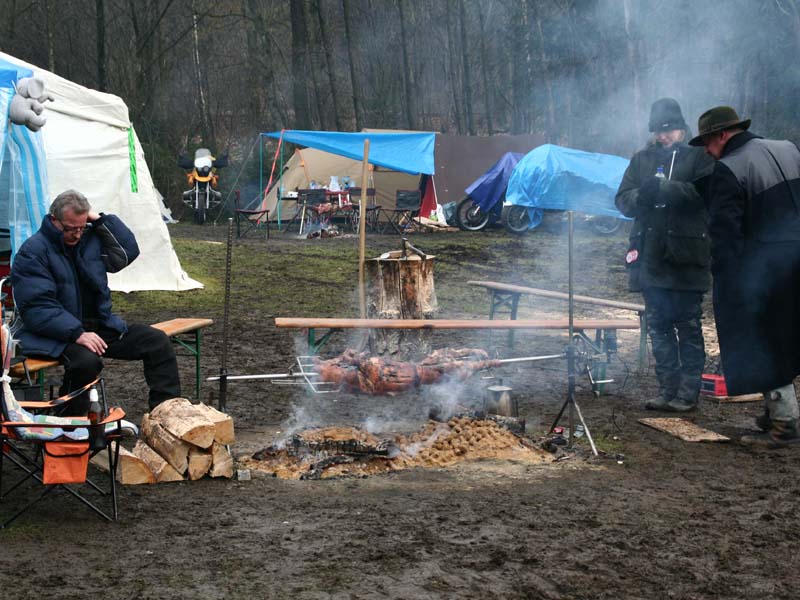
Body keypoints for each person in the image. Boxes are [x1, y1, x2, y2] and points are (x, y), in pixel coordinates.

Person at [11, 190, 181, 416]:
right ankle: (69, 425)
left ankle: (167, 416)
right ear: (54, 221)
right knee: (86, 362)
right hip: (52, 335)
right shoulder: (33, 252)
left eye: (81, 227)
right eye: (71, 228)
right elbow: (38, 308)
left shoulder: (91, 239)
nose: (77, 234)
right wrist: (77, 333)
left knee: (156, 342)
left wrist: (101, 220)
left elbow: (128, 251)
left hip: (97, 327)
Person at [689, 106, 800, 447]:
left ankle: (785, 426)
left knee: (763, 340)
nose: (707, 151)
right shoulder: (789, 147)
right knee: (790, 336)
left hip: (764, 269)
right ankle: (773, 411)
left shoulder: (729, 168)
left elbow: (725, 233)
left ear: (722, 135)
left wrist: (725, 279)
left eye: (708, 142)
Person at [615, 98, 715, 412]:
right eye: (659, 131)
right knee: (658, 325)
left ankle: (687, 393)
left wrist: (666, 189)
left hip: (687, 257)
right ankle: (666, 389)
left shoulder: (699, 158)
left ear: (682, 130)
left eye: (669, 130)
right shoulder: (641, 159)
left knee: (687, 325)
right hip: (650, 257)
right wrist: (642, 194)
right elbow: (622, 199)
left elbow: (706, 194)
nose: (664, 136)